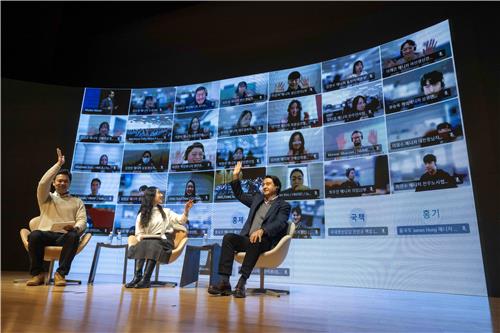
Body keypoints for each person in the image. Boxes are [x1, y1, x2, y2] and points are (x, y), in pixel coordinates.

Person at [208, 161, 291, 298]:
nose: (264, 186)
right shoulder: (257, 199)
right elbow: (239, 194)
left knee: (256, 240)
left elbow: (280, 223)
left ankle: (241, 283)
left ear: (276, 187)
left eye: (268, 184)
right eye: (263, 184)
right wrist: (235, 176)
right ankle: (224, 283)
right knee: (229, 238)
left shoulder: (283, 205)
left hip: (266, 241)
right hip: (249, 239)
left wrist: (262, 230)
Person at [26, 148, 87, 287]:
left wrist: (76, 228)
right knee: (34, 235)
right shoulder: (46, 197)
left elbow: (82, 220)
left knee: (73, 235)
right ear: (53, 183)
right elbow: (42, 184)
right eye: (59, 181)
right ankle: (38, 274)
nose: (62, 183)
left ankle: (60, 274)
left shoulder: (77, 201)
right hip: (45, 235)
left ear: (69, 184)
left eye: (65, 181)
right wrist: (58, 165)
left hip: (64, 237)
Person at [125, 187, 194, 288]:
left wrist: (186, 210)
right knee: (143, 243)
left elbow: (181, 220)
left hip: (165, 242)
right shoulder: (142, 215)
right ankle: (137, 277)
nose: (161, 195)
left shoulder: (166, 212)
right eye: (159, 193)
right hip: (148, 242)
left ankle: (146, 279)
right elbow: (138, 234)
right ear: (151, 196)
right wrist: (142, 237)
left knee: (152, 244)